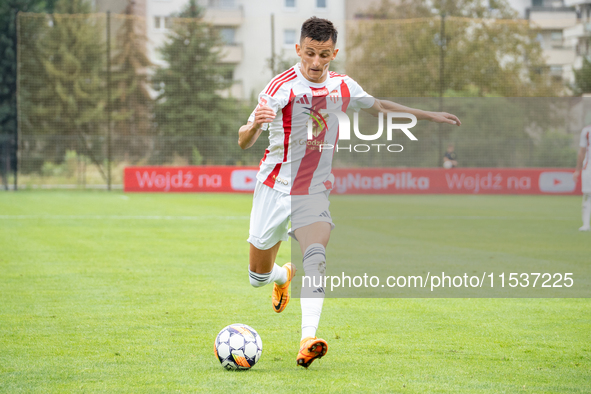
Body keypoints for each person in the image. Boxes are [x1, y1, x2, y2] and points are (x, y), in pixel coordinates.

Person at [237, 16, 461, 369]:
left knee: (316, 256)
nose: (315, 62)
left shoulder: (344, 86)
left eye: (323, 55)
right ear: (298, 49)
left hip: (313, 192)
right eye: (309, 53)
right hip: (272, 189)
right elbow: (243, 138)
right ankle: (283, 277)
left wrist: (429, 115)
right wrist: (255, 124)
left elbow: (382, 108)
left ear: (334, 53)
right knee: (257, 278)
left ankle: (307, 339)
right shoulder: (281, 86)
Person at [573, 125, 591, 231]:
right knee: (588, 195)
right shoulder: (586, 131)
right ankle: (585, 224)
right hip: (588, 167)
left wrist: (577, 170)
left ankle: (585, 224)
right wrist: (577, 170)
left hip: (588, 168)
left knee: (588, 196)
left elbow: (581, 151)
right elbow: (582, 151)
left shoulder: (586, 130)